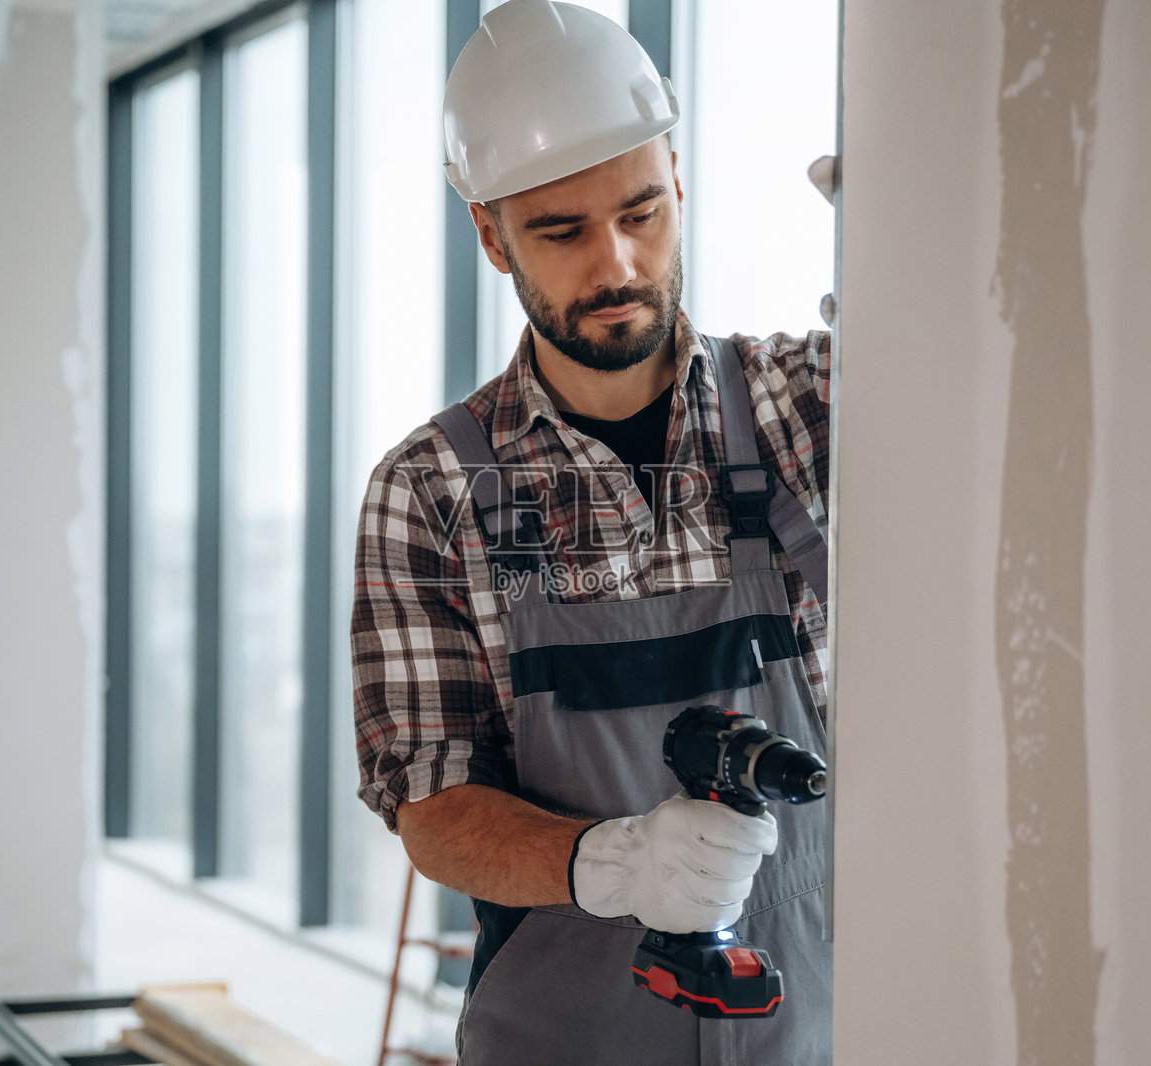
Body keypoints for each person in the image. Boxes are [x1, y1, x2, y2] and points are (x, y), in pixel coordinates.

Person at [350, 2, 833, 1062]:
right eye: (561, 231)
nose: (614, 265)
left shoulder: (804, 412)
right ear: (490, 234)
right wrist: (610, 863)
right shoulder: (429, 491)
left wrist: (921, 273)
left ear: (678, 183)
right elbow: (430, 802)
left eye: (642, 211)